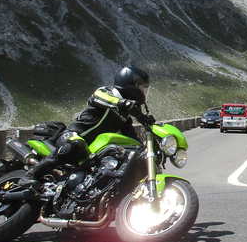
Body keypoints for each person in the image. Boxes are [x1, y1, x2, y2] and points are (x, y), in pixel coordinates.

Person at [19, 66, 150, 189]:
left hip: (90, 153)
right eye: (140, 87)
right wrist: (124, 103)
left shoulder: (124, 117)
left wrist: (146, 150)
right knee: (77, 144)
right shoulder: (105, 93)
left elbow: (132, 138)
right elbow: (103, 98)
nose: (142, 91)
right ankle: (32, 174)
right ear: (130, 84)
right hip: (72, 136)